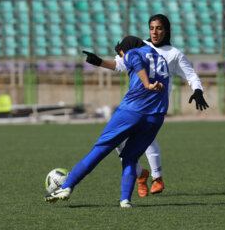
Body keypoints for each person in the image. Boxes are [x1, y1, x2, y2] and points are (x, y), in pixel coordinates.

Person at [82, 14, 209, 197]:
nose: (155, 32)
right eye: (152, 28)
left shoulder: (174, 54)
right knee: (120, 142)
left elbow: (191, 75)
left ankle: (157, 178)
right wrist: (98, 61)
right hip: (134, 102)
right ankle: (141, 174)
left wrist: (197, 91)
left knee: (147, 140)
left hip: (155, 104)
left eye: (159, 28)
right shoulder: (141, 46)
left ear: (166, 30)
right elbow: (119, 64)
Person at [45, 36, 169, 208]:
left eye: (121, 54)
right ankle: (125, 200)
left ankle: (66, 187)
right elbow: (126, 64)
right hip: (156, 116)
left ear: (127, 48)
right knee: (131, 158)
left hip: (132, 111)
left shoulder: (133, 52)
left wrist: (146, 84)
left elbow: (133, 60)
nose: (122, 58)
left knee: (101, 149)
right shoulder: (160, 57)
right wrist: (100, 62)